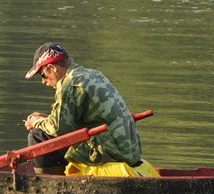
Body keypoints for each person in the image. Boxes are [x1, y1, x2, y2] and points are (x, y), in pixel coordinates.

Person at [23, 42, 154, 177]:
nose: (43, 81)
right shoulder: (93, 74)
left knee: (37, 137)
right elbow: (72, 122)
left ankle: (46, 186)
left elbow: (59, 128)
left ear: (52, 68)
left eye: (42, 74)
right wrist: (46, 118)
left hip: (109, 152)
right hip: (130, 150)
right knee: (46, 132)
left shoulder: (70, 83)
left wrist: (36, 122)